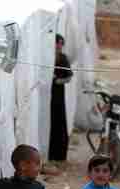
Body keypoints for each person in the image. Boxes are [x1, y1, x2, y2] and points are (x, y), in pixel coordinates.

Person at [49, 34, 73, 164]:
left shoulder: (62, 58)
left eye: (60, 44)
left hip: (58, 93)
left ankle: (59, 155)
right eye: (57, 43)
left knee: (58, 121)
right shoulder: (47, 56)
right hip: (48, 93)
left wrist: (58, 80)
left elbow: (69, 76)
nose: (59, 46)